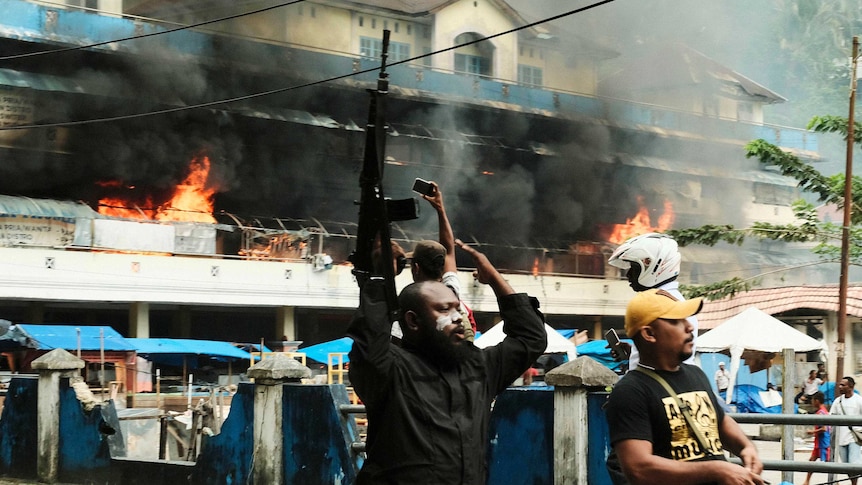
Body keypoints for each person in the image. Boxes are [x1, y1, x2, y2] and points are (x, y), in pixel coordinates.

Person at [348, 239, 547, 484]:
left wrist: (493, 277)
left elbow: (531, 338)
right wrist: (380, 277)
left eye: (458, 309)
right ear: (413, 321)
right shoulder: (392, 371)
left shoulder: (479, 367)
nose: (457, 318)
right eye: (444, 310)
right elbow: (370, 343)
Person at [604, 289, 765, 485]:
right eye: (676, 321)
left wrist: (746, 447)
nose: (689, 326)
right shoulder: (631, 391)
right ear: (649, 333)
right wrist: (716, 470)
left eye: (686, 319)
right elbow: (639, 468)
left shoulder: (696, 374)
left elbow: (720, 421)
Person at [608, 232, 697, 371]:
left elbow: (665, 367)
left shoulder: (660, 306)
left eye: (634, 268)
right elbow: (664, 355)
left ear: (654, 266)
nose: (628, 274)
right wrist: (636, 352)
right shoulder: (675, 301)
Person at [829, 376, 862, 485]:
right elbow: (831, 417)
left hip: (854, 437)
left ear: (851, 386)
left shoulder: (858, 400)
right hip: (841, 438)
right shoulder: (838, 401)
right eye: (840, 384)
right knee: (846, 465)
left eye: (843, 385)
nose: (840, 387)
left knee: (854, 463)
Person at [802, 391, 830, 485]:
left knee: (828, 462)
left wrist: (812, 432)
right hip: (819, 442)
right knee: (812, 461)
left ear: (817, 401)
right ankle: (807, 481)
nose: (812, 403)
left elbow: (824, 428)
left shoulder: (821, 413)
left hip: (823, 442)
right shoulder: (823, 411)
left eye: (813, 400)